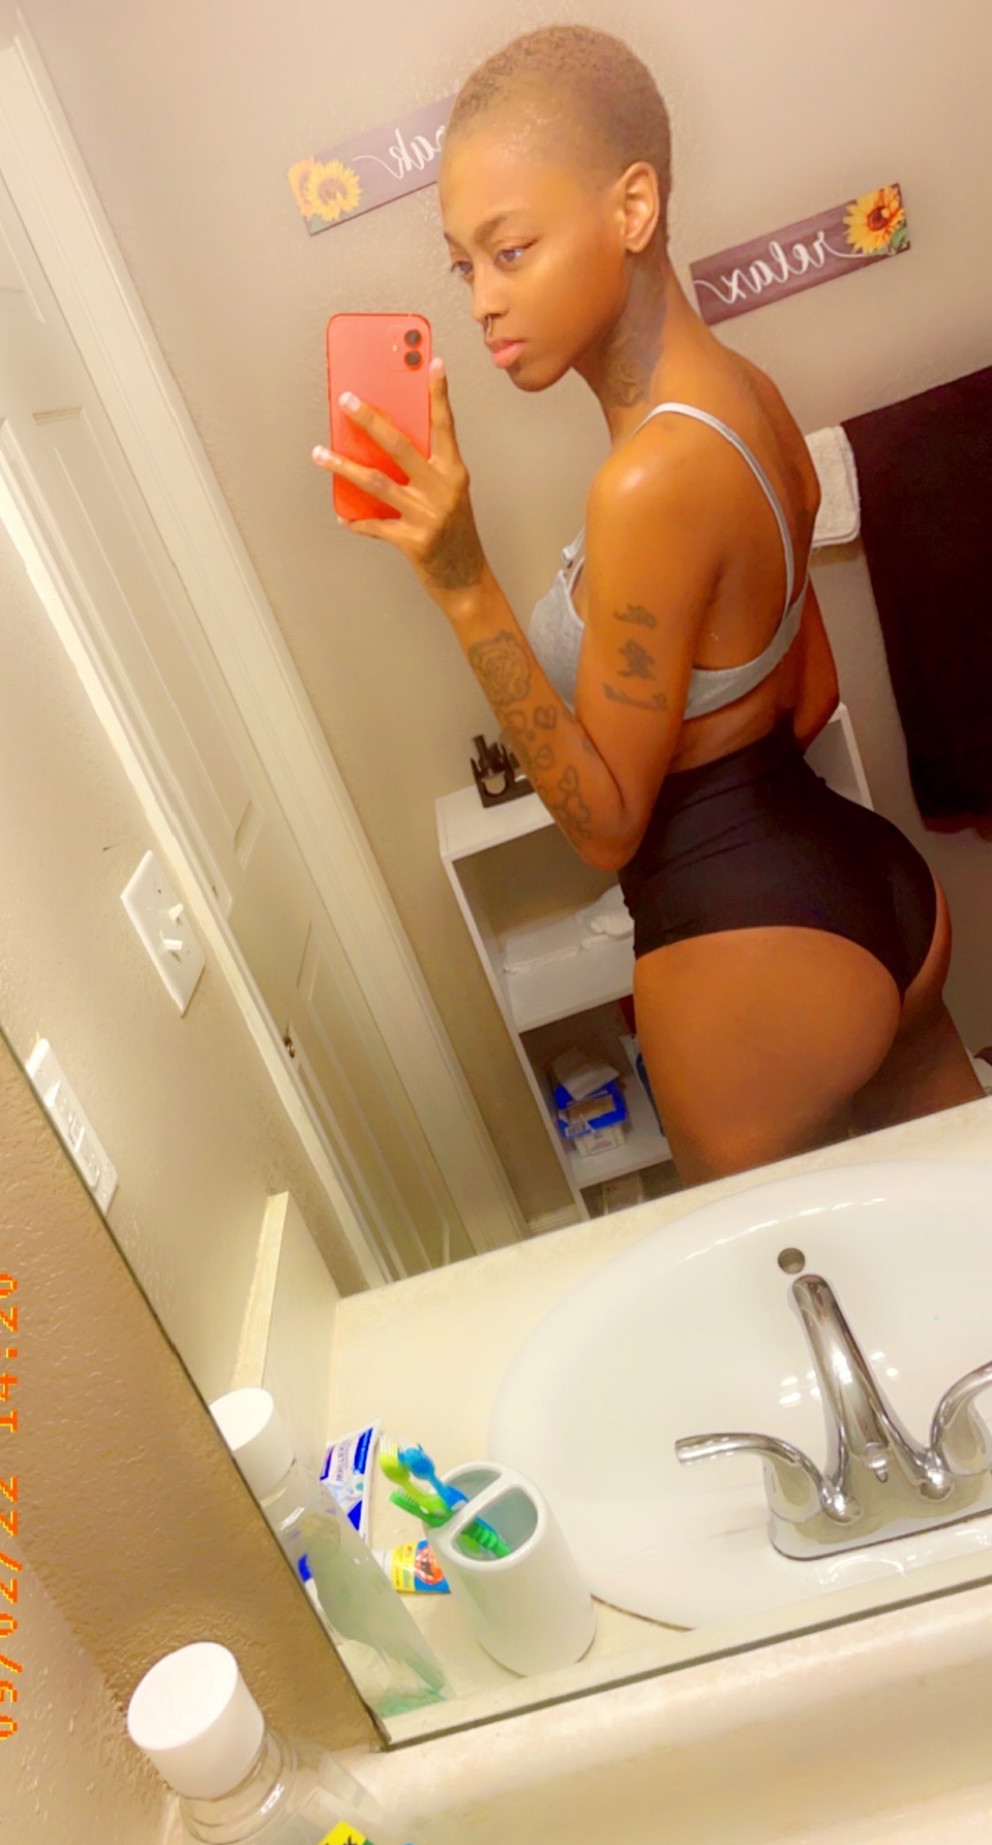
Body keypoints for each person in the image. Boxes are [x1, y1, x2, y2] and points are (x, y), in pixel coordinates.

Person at [311, 23, 982, 1185]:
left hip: (746, 949)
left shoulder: (647, 482)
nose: (484, 302)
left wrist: (465, 584)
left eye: (511, 250)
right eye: (464, 267)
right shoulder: (745, 394)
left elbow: (605, 828)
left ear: (632, 208)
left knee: (770, 1292)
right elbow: (808, 693)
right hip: (872, 887)